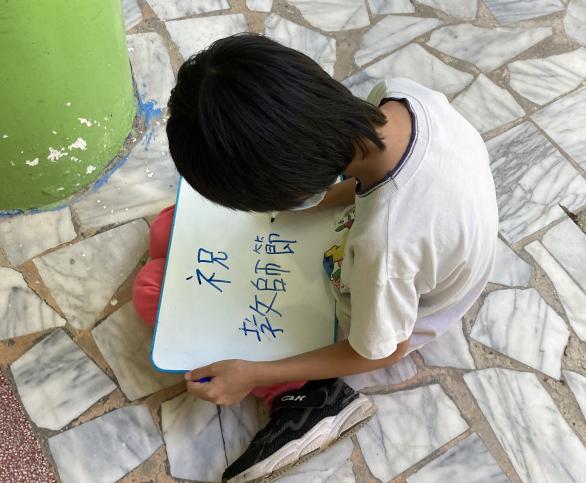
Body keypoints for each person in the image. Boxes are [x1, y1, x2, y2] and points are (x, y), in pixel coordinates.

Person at [133, 33, 498, 482]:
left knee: (151, 290)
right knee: (169, 227)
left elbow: (383, 350)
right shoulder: (399, 97)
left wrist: (254, 374)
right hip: (406, 240)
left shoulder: (383, 247)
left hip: (397, 309)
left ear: (291, 186)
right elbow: (369, 189)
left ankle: (304, 398)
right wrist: (313, 204)